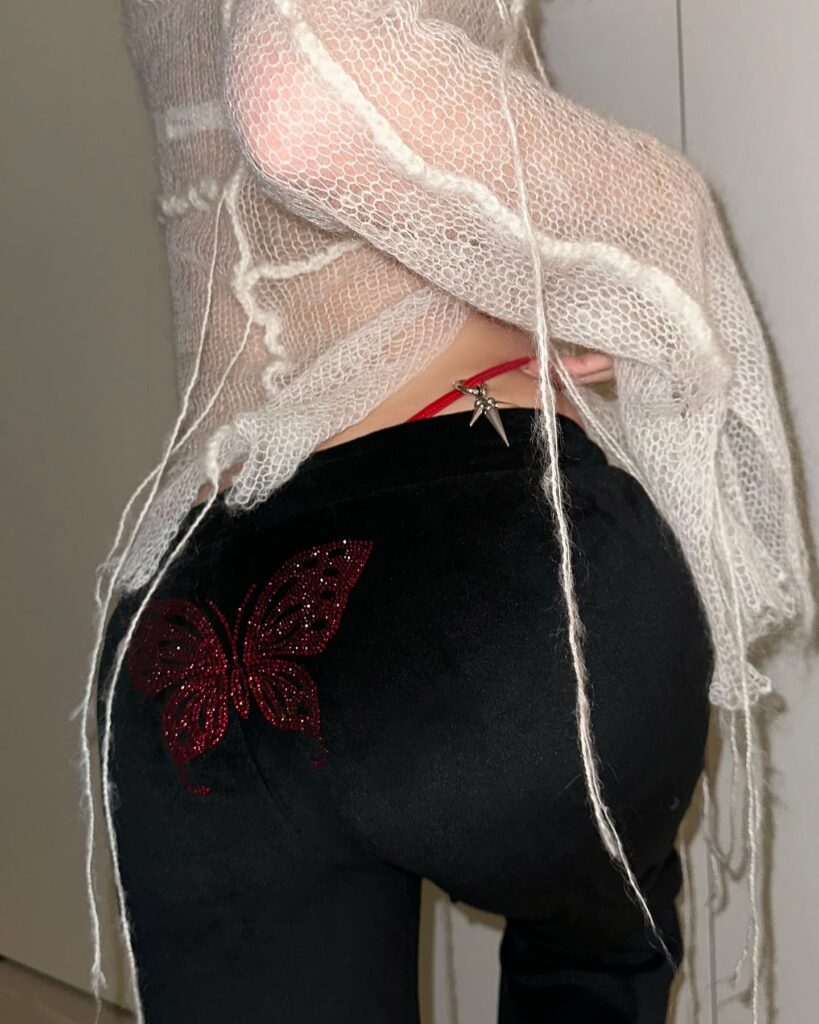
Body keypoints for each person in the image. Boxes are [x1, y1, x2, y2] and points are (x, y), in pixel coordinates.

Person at [78, 3, 814, 1023]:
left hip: (206, 607)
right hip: (483, 570)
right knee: (593, 951)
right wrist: (651, 224)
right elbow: (301, 96)